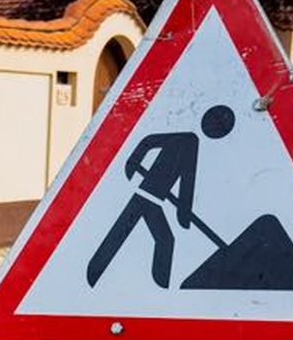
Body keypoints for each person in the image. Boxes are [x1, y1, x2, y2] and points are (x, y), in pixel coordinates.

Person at [87, 105, 236, 288]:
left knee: (148, 237)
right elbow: (152, 145)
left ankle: (157, 286)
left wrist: (183, 213)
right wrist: (133, 162)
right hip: (145, 196)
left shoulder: (189, 141)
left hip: (151, 200)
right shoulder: (188, 140)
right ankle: (96, 273)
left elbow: (186, 181)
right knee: (149, 237)